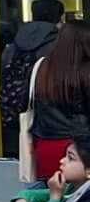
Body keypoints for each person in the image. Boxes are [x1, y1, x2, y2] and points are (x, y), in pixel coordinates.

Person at [23, 13, 90, 190]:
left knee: (48, 192)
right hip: (79, 148)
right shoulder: (85, 72)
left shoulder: (40, 67)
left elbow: (26, 102)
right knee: (77, 197)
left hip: (44, 144)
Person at [0, 0, 64, 153]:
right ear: (61, 18)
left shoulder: (12, 46)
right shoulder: (61, 46)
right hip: (53, 126)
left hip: (17, 118)